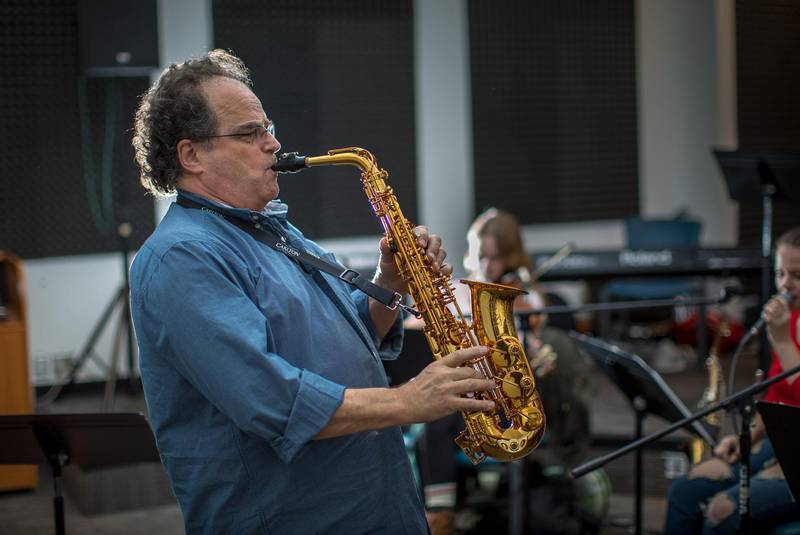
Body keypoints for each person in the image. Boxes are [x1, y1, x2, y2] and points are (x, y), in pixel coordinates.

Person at [129, 49, 497, 534]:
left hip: (372, 504)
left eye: (268, 127)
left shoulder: (274, 229)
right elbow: (269, 400)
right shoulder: (181, 257)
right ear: (191, 155)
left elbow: (348, 334)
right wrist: (409, 402)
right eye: (250, 133)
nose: (273, 143)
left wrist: (391, 282)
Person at [417, 208, 595, 535]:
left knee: (443, 419)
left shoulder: (526, 295)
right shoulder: (460, 292)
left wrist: (533, 351)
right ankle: (440, 511)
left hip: (508, 400)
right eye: (481, 256)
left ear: (512, 257)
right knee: (435, 417)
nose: (487, 267)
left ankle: (442, 514)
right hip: (474, 390)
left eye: (496, 259)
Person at [663, 226, 800, 533]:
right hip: (779, 440)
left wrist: (782, 342)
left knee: (722, 510)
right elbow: (778, 396)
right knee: (685, 491)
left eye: (797, 276)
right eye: (780, 274)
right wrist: (745, 440)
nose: (785, 286)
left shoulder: (782, 332)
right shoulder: (788, 320)